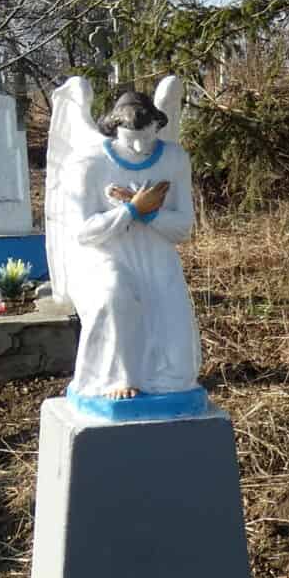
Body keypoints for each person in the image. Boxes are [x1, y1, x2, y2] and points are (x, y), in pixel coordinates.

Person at [46, 78, 201, 405]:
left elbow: (183, 228)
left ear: (157, 126)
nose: (141, 146)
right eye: (132, 138)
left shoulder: (174, 158)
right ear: (114, 130)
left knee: (174, 339)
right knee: (114, 295)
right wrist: (130, 210)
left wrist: (148, 213)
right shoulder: (89, 162)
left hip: (156, 254)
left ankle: (162, 380)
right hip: (106, 255)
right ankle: (117, 376)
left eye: (148, 136)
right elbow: (83, 231)